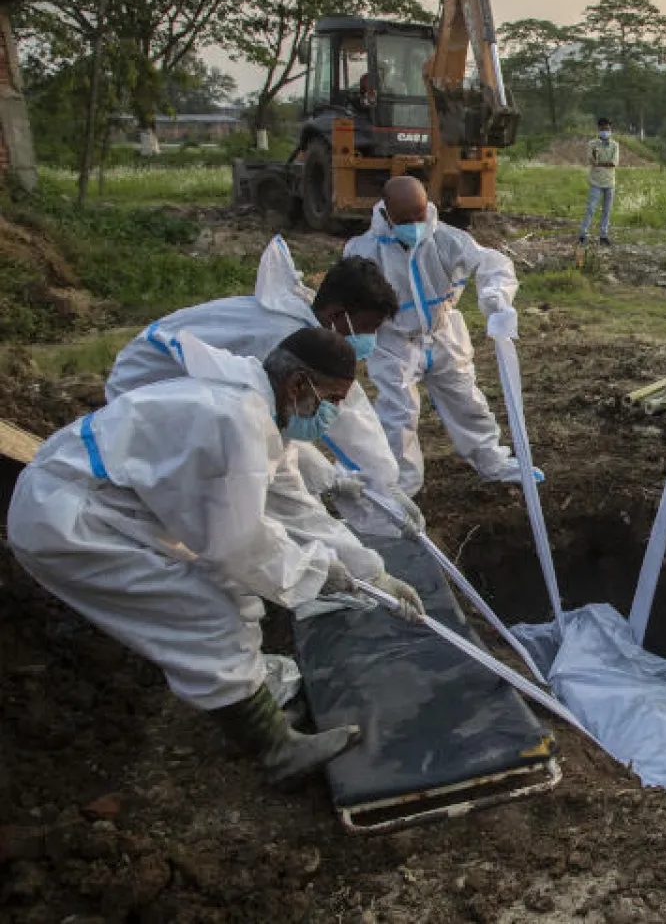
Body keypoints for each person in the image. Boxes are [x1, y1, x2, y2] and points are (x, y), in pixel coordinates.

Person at [8, 329, 427, 787]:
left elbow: (292, 507)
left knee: (224, 595)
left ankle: (253, 699)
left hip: (100, 508)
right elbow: (238, 543)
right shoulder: (235, 423)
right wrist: (323, 573)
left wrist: (372, 572)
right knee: (206, 610)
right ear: (298, 385)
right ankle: (275, 749)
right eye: (331, 399)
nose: (332, 413)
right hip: (72, 523)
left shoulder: (255, 406)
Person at [107, 237, 418, 539]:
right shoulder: (281, 340)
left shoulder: (303, 322)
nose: (369, 340)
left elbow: (332, 419)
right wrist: (383, 483)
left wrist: (349, 481)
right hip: (148, 392)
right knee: (227, 496)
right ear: (337, 315)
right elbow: (345, 419)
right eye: (366, 329)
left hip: (174, 383)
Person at [346, 175, 536, 495]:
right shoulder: (364, 250)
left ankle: (492, 462)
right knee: (398, 416)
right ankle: (401, 486)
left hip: (443, 334)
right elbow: (349, 296)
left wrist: (496, 298)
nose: (413, 225)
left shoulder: (445, 239)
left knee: (467, 401)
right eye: (404, 220)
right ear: (387, 214)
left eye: (419, 217)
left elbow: (490, 262)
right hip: (395, 342)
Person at [578, 117, 618, 246]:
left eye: (607, 129)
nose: (605, 131)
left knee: (607, 210)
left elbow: (613, 163)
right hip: (596, 181)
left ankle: (603, 235)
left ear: (610, 129)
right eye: (602, 129)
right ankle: (583, 234)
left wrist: (599, 163)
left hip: (610, 182)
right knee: (591, 208)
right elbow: (592, 161)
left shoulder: (615, 145)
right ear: (598, 129)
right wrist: (599, 162)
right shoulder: (592, 144)